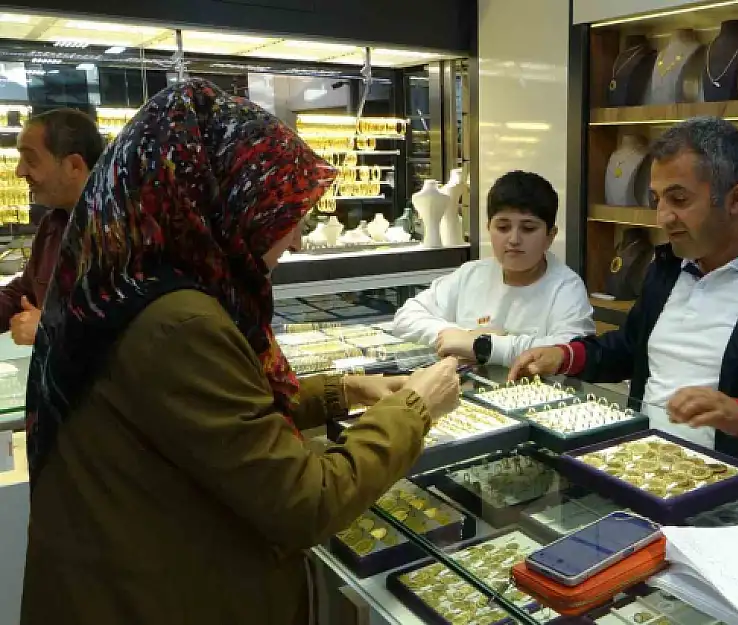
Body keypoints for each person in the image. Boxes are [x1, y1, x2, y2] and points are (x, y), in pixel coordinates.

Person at [20, 79, 461, 625]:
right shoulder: (177, 321)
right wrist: (413, 409)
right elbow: (306, 503)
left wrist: (341, 392)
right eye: (282, 212)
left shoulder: (125, 283)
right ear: (223, 201)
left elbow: (204, 421)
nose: (296, 239)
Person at [510, 117, 738, 498]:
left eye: (679, 200)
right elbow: (630, 348)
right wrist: (563, 356)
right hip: (642, 472)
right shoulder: (667, 266)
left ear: (736, 199)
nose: (662, 217)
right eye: (657, 200)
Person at [392, 170, 594, 367]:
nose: (514, 240)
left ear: (550, 236)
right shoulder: (471, 275)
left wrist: (481, 345)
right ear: (488, 228)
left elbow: (567, 351)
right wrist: (455, 334)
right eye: (503, 228)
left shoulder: (566, 288)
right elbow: (405, 318)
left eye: (528, 229)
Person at [1, 108, 102, 345]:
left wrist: (51, 329)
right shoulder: (52, 225)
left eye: (31, 160)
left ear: (74, 166)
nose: (19, 171)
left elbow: (135, 330)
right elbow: (24, 292)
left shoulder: (121, 231)